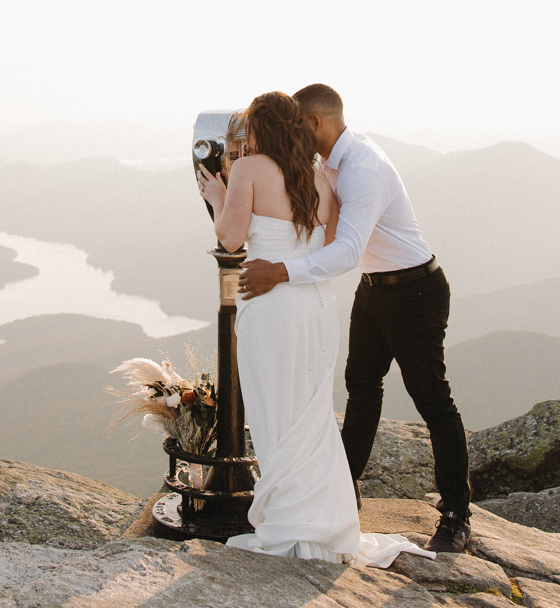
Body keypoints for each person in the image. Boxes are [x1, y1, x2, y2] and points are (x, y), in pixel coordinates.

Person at [198, 91, 432, 567]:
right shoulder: (322, 179)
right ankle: (319, 523)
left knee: (275, 413)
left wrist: (219, 194)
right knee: (310, 416)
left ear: (260, 129)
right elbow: (328, 245)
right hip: (317, 308)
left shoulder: (248, 169)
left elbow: (231, 237)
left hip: (273, 306)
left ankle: (289, 523)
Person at [236, 84, 473, 554]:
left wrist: (280, 271)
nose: (290, 136)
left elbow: (344, 251)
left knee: (432, 399)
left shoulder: (363, 167)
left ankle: (456, 516)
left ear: (315, 124)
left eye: (294, 126)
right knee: (362, 389)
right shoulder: (325, 166)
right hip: (375, 288)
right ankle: (338, 497)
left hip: (415, 291)